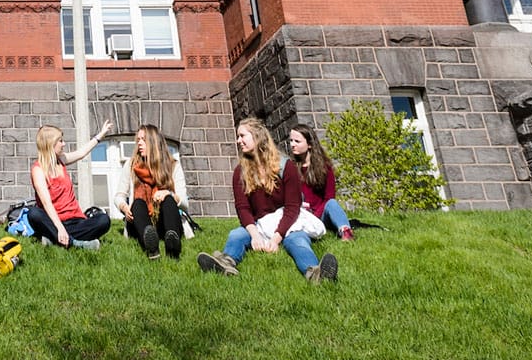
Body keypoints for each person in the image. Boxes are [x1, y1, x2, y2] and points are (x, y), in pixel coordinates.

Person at [197, 118, 335, 284]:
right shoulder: (240, 172)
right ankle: (226, 264)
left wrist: (276, 239)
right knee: (236, 235)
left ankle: (314, 272)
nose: (238, 140)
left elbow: (292, 207)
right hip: (259, 226)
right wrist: (255, 236)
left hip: (288, 224)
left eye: (242, 136)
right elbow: (243, 209)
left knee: (297, 241)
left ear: (256, 136)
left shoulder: (286, 166)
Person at [110, 124, 192, 260]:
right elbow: (119, 196)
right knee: (137, 203)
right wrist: (124, 207)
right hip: (141, 221)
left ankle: (172, 246)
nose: (139, 143)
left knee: (169, 200)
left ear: (154, 142)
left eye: (143, 140)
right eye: (138, 140)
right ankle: (151, 247)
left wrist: (169, 194)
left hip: (164, 220)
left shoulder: (173, 165)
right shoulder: (131, 165)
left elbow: (185, 203)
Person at [25, 122, 110, 249]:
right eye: (60, 141)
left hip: (76, 221)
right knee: (33, 214)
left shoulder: (61, 160)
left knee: (104, 220)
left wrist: (100, 136)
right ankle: (75, 243)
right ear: (50, 144)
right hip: (54, 221)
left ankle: (54, 239)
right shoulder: (38, 170)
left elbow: (82, 153)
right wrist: (59, 228)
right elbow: (46, 203)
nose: (64, 144)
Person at [284, 124, 354, 243]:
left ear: (309, 144)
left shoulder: (324, 167)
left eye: (297, 141)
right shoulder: (290, 168)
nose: (292, 144)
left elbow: (329, 197)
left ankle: (346, 231)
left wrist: (315, 215)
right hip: (300, 216)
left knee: (332, 204)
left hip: (320, 214)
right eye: (291, 141)